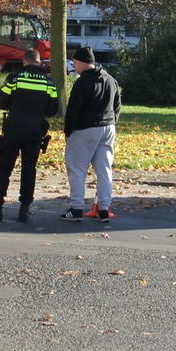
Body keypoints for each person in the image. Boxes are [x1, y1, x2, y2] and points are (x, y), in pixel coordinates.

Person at [0, 47, 58, 223]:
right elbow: (53, 109)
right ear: (39, 62)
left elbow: (1, 102)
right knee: (29, 170)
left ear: (24, 61)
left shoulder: (14, 78)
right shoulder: (48, 82)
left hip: (14, 130)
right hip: (35, 131)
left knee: (4, 169)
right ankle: (24, 210)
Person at [61, 46, 121, 222]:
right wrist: (112, 121)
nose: (74, 66)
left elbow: (74, 110)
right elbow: (117, 106)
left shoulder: (82, 82)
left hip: (86, 128)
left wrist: (69, 131)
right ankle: (103, 208)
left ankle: (76, 208)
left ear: (80, 62)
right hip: (108, 127)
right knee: (104, 170)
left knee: (77, 168)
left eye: (74, 63)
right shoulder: (111, 80)